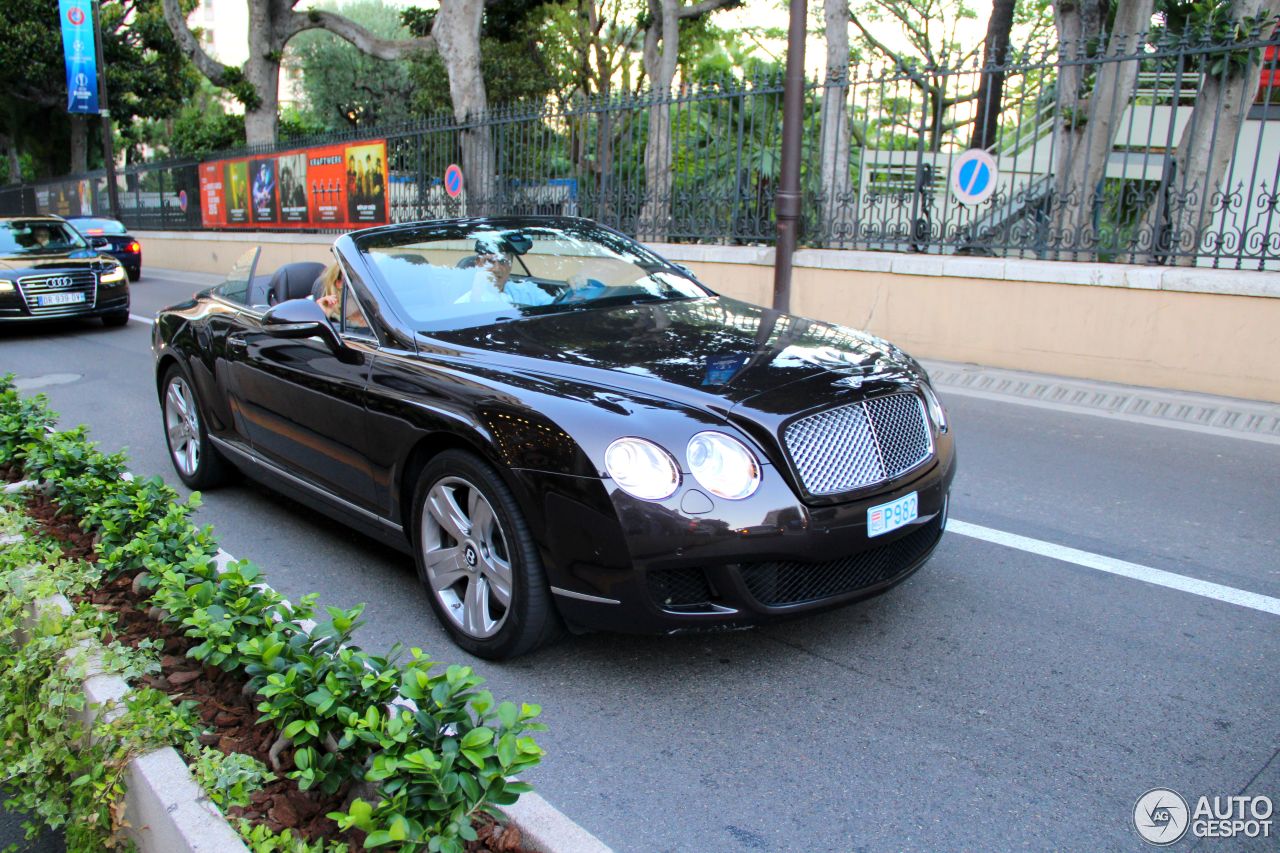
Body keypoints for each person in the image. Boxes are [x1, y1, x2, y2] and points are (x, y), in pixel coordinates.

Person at [454, 238, 553, 307]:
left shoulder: (528, 291)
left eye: (503, 262)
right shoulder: (464, 302)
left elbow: (557, 309)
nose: (497, 269)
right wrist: (477, 295)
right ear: (479, 264)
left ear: (510, 266)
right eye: (490, 261)